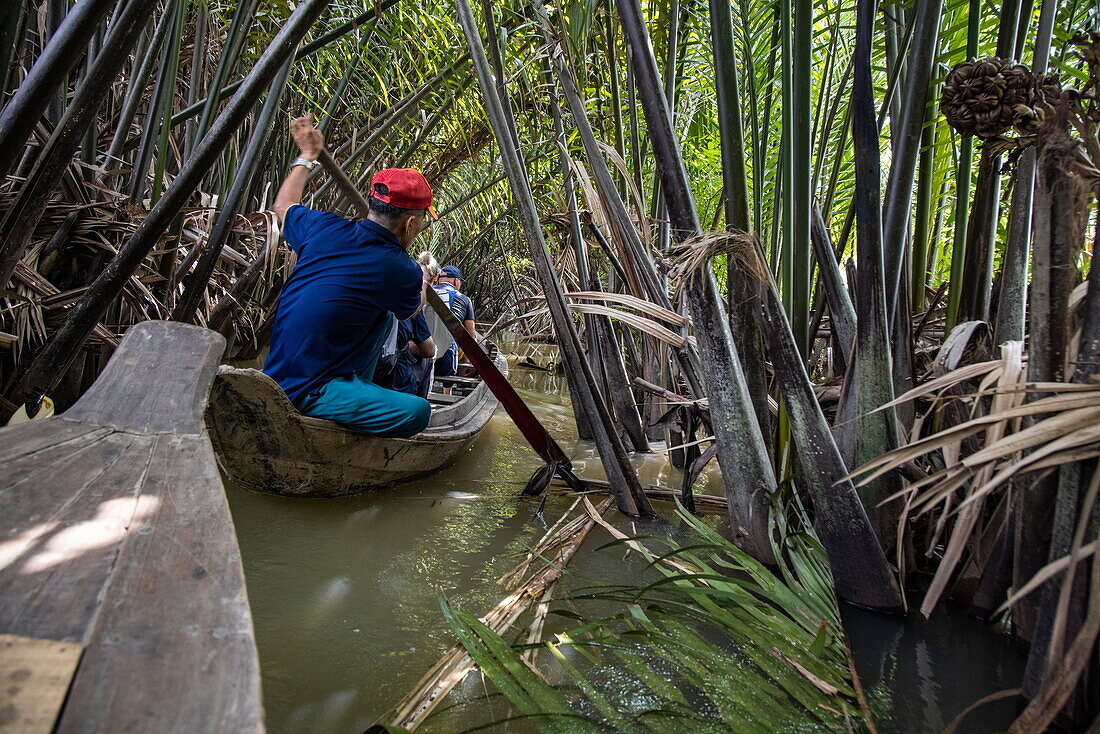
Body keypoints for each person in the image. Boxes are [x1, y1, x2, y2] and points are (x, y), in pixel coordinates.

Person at [264, 114, 436, 437]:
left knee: (385, 314)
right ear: (410, 225)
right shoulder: (401, 269)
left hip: (277, 374)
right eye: (421, 221)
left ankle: (354, 390)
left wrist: (306, 156)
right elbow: (412, 309)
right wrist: (423, 279)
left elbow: (284, 206)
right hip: (309, 391)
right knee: (419, 411)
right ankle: (333, 413)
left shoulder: (322, 227)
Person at [432, 264, 476, 378]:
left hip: (419, 357)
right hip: (446, 362)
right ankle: (458, 379)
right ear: (456, 281)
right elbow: (471, 336)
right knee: (467, 341)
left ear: (438, 279)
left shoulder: (425, 293)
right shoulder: (464, 299)